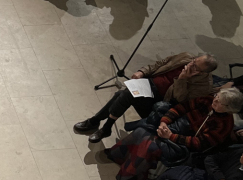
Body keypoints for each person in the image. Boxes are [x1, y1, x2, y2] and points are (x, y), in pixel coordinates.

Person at [105, 89, 243, 180]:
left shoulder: (225, 125)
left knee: (151, 145)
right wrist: (164, 122)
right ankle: (118, 156)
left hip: (183, 145)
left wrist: (170, 136)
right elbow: (181, 108)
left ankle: (129, 176)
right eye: (217, 96)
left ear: (229, 109)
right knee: (141, 131)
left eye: (220, 102)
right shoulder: (207, 100)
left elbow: (198, 144)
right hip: (173, 127)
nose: (215, 100)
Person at [74, 52, 217, 142]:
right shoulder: (186, 57)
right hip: (148, 83)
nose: (190, 65)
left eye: (195, 67)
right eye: (193, 61)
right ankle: (102, 126)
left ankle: (99, 123)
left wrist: (182, 79)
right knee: (123, 94)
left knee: (124, 93)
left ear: (204, 73)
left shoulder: (203, 86)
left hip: (159, 100)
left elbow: (180, 100)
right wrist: (142, 72)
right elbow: (161, 63)